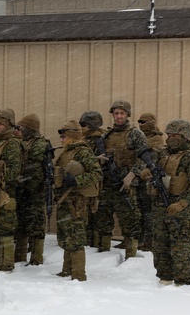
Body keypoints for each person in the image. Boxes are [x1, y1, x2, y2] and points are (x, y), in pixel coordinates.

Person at [145, 119, 190, 286]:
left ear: (185, 136)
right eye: (169, 134)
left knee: (180, 249)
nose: (171, 138)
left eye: (175, 135)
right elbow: (149, 166)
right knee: (160, 246)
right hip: (159, 208)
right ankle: (164, 279)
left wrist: (182, 204)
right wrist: (145, 173)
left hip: (180, 211)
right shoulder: (162, 154)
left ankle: (183, 284)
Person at [95, 100, 148, 257]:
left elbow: (144, 157)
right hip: (108, 183)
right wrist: (99, 159)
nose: (119, 116)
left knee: (130, 220)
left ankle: (131, 256)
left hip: (127, 184)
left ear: (127, 115)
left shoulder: (135, 134)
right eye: (116, 113)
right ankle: (102, 254)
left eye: (122, 113)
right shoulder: (106, 136)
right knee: (103, 218)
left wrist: (131, 175)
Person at [52, 121, 101, 281]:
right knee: (67, 236)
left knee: (76, 238)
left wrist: (77, 180)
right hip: (65, 200)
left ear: (72, 137)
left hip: (77, 202)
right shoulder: (65, 153)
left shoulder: (82, 152)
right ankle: (67, 270)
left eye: (64, 137)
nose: (61, 140)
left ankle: (79, 274)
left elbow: (97, 174)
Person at [0, 109, 22, 271]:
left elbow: (13, 172)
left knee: (6, 228)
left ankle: (6, 264)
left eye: (0, 123)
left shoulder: (13, 144)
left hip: (7, 192)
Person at [15, 113, 51, 265]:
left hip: (35, 192)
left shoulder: (40, 145)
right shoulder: (24, 142)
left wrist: (24, 183)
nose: (20, 129)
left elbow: (36, 171)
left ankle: (36, 259)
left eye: (23, 127)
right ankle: (20, 257)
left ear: (30, 128)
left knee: (36, 225)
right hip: (23, 191)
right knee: (21, 224)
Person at [136, 112, 164, 251]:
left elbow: (155, 157)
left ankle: (149, 242)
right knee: (138, 211)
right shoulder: (138, 136)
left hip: (149, 179)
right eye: (139, 122)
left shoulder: (157, 139)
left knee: (148, 212)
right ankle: (138, 240)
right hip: (136, 177)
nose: (140, 124)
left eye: (143, 122)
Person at [78, 110, 105, 247]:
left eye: (84, 124)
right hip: (86, 181)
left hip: (96, 182)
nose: (81, 127)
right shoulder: (84, 139)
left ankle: (95, 244)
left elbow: (103, 160)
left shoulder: (100, 139)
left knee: (96, 213)